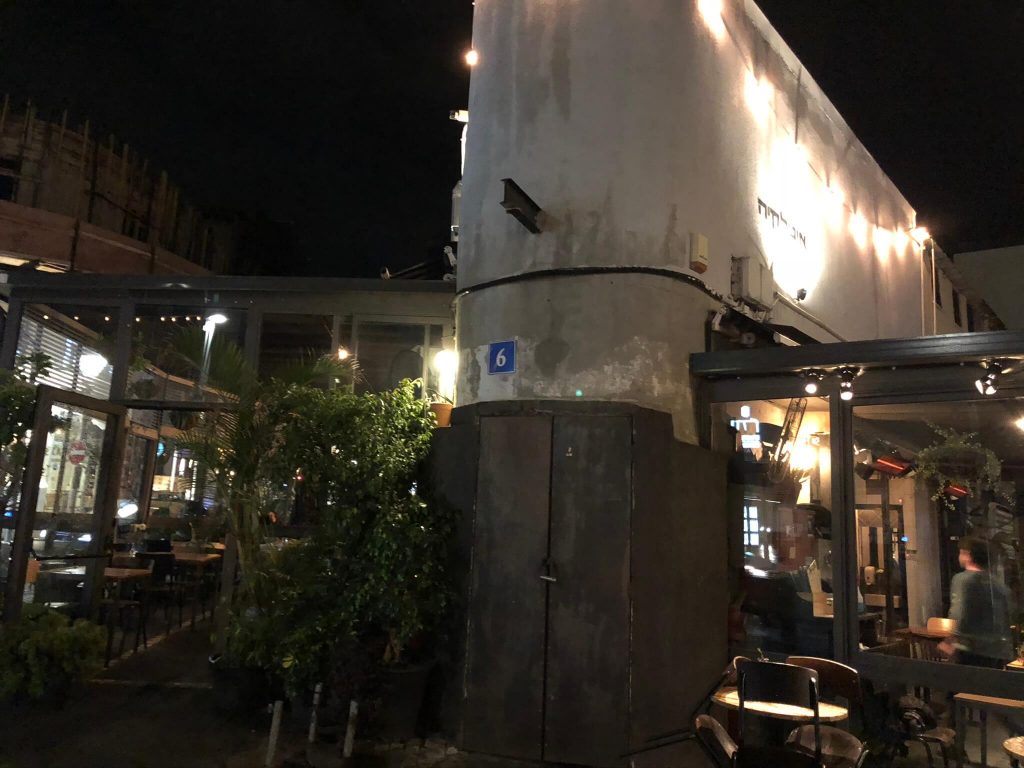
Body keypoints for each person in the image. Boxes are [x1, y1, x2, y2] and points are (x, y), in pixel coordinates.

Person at [938, 537, 1014, 668]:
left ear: (968, 555)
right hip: (998, 650)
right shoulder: (998, 585)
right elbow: (1008, 615)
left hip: (971, 648)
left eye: (961, 552)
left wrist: (950, 640)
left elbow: (959, 613)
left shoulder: (963, 580)